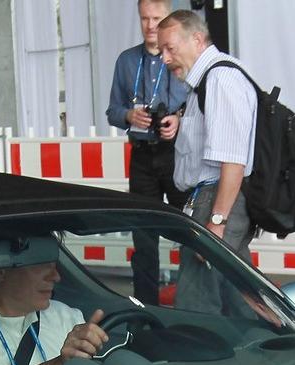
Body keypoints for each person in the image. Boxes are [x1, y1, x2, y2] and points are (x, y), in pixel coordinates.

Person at [158, 10, 257, 314]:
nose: (164, 58)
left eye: (170, 49)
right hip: (213, 200)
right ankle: (266, 349)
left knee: (197, 303)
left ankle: (197, 356)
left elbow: (233, 161)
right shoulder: (208, 81)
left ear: (198, 40)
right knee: (238, 295)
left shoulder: (220, 80)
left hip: (216, 201)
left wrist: (216, 223)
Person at [107, 0, 191, 305]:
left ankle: (190, 301)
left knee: (188, 229)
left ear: (167, 17)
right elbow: (112, 110)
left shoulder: (180, 58)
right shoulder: (127, 61)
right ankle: (146, 308)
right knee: (143, 236)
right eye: (145, 18)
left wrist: (179, 120)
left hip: (175, 153)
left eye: (157, 18)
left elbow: (195, 104)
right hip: (141, 154)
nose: (150, 25)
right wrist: (130, 116)